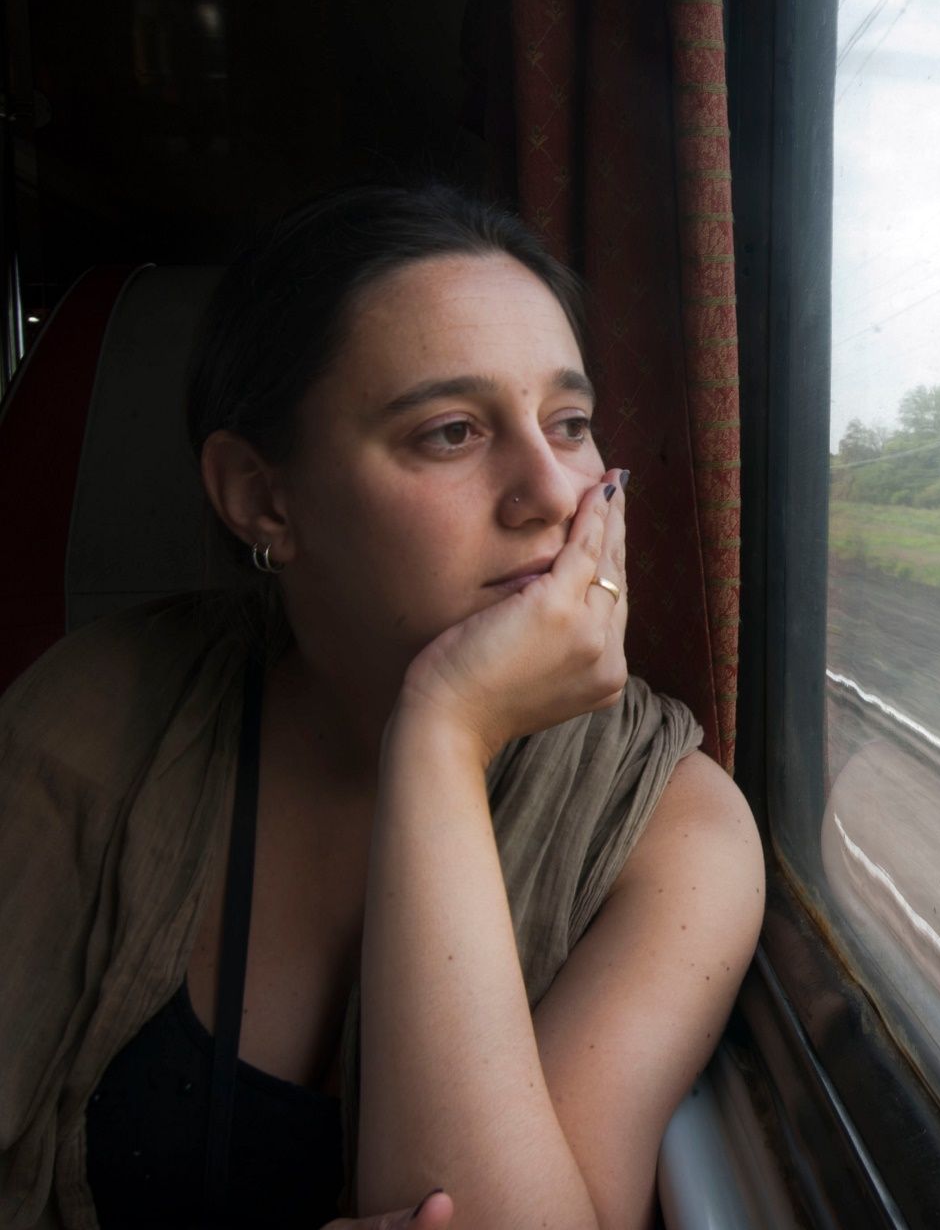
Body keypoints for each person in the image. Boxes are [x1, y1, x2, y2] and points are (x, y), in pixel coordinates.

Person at [0, 184, 765, 1230]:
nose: (552, 491)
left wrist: (441, 731)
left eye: (571, 423)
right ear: (264, 499)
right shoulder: (88, 717)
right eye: (451, 431)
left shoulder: (676, 824)